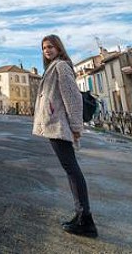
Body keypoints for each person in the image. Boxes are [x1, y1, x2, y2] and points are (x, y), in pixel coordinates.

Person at [32, 34, 98, 238]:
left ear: (59, 47)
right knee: (71, 169)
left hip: (59, 124)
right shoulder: (53, 67)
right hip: (55, 123)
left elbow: (73, 97)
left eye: (51, 46)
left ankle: (85, 219)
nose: (47, 50)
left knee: (72, 170)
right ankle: (81, 215)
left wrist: (76, 126)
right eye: (44, 48)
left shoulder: (60, 66)